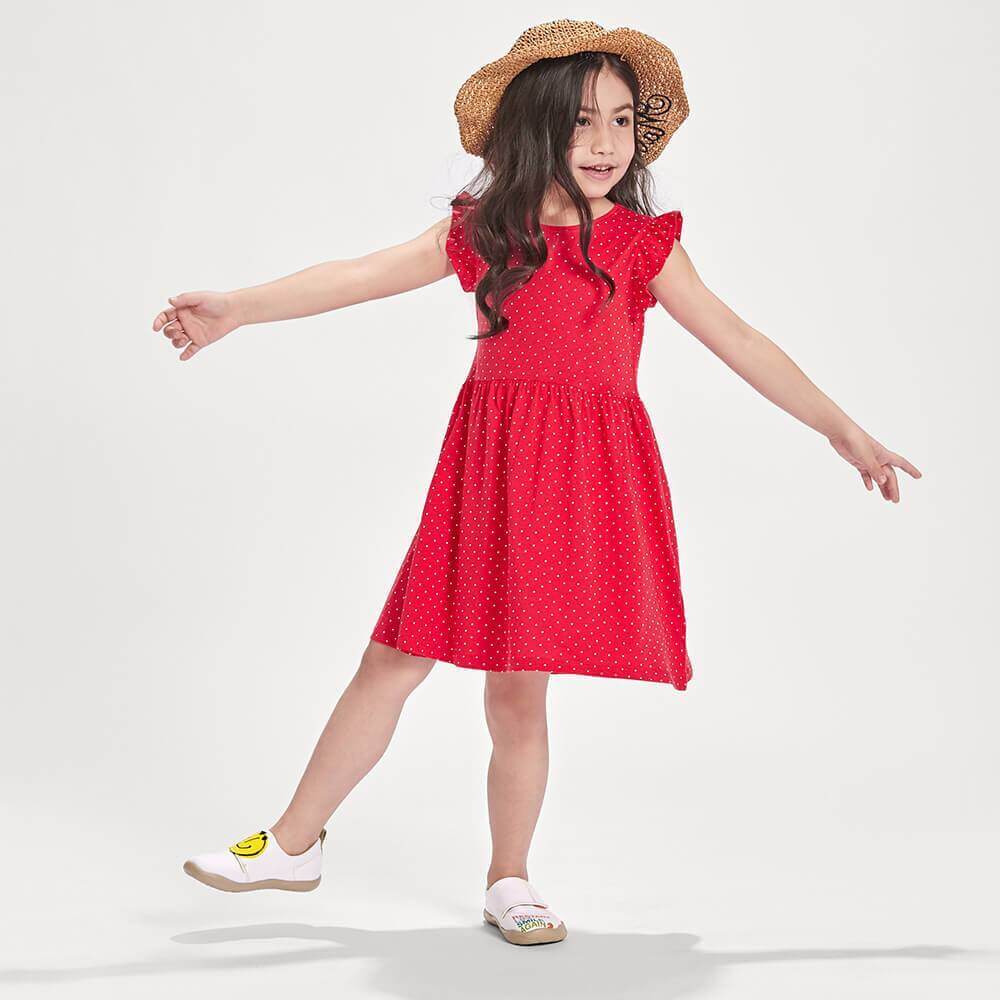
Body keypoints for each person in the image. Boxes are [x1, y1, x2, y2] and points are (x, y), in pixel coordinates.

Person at [153, 19, 921, 947]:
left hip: (578, 485)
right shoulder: (487, 231)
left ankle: (508, 878)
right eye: (581, 121)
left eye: (621, 121)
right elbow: (358, 275)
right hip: (484, 478)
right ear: (536, 127)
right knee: (392, 660)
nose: (604, 143)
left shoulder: (640, 245)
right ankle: (291, 844)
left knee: (519, 693)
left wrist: (843, 429)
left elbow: (742, 340)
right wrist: (239, 308)